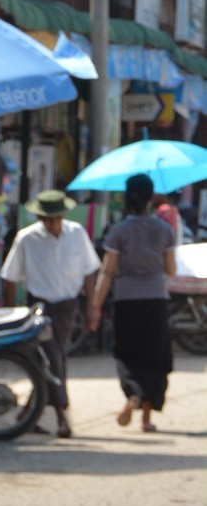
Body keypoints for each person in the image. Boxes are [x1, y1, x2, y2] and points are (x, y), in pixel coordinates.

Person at [0, 187, 100, 439]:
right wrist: (10, 312)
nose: (53, 223)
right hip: (39, 307)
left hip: (68, 306)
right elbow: (9, 278)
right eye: (49, 218)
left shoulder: (76, 234)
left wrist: (91, 306)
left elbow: (89, 272)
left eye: (57, 218)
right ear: (40, 218)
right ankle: (61, 415)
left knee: (51, 359)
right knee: (53, 357)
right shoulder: (26, 238)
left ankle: (26, 415)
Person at [90, 173, 176, 432]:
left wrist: (94, 306)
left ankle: (133, 395)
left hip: (126, 300)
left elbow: (107, 272)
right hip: (156, 300)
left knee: (128, 355)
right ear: (151, 198)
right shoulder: (164, 230)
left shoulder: (118, 231)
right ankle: (147, 419)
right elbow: (170, 270)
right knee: (155, 356)